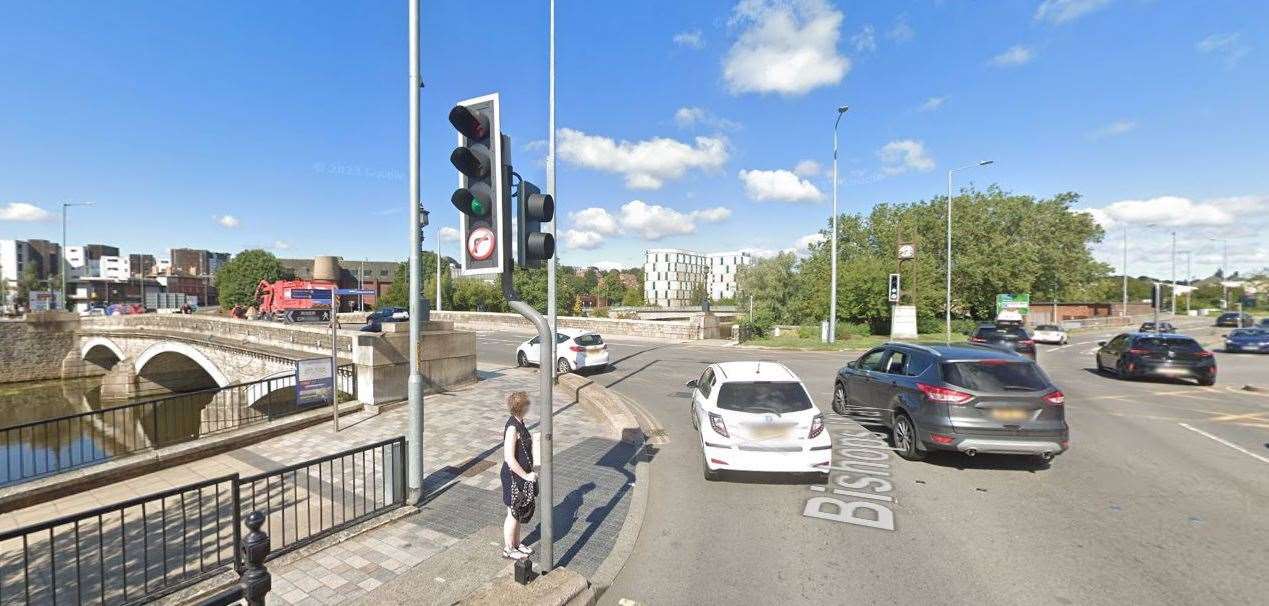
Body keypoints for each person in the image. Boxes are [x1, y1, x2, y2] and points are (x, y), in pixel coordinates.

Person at [500, 391, 537, 560]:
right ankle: (508, 548)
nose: (529, 406)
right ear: (521, 407)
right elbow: (509, 458)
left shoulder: (520, 423)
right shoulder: (513, 427)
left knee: (519, 511)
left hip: (522, 475)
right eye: (527, 404)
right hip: (513, 477)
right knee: (513, 512)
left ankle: (516, 543)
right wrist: (526, 476)